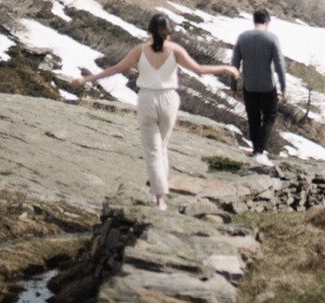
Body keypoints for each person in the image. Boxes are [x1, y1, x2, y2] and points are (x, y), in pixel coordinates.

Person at [71, 13, 239, 210]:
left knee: (153, 150)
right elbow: (200, 70)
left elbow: (116, 68)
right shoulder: (175, 50)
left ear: (149, 30)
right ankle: (161, 192)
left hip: (146, 99)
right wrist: (226, 69)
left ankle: (159, 197)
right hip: (169, 99)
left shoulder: (140, 50)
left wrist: (86, 79)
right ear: (169, 32)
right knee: (163, 146)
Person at [232, 10, 286, 166]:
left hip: (249, 86)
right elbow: (279, 66)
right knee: (269, 117)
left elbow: (234, 64)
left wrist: (233, 85)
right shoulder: (272, 38)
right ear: (267, 22)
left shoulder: (242, 38)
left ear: (254, 21)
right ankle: (260, 152)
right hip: (268, 86)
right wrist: (283, 86)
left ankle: (257, 151)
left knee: (253, 119)